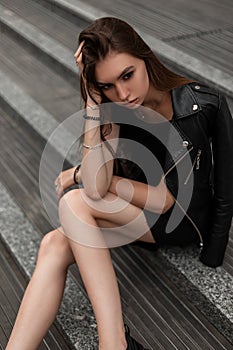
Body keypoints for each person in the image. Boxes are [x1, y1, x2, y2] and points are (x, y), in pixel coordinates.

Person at [6, 17, 233, 350]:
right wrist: (93, 102)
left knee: (73, 201)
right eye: (108, 85)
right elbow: (99, 187)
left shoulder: (203, 105)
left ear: (145, 57)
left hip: (179, 221)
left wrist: (213, 254)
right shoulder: (111, 107)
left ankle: (113, 342)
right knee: (53, 245)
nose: (123, 94)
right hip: (135, 213)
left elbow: (172, 200)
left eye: (127, 75)